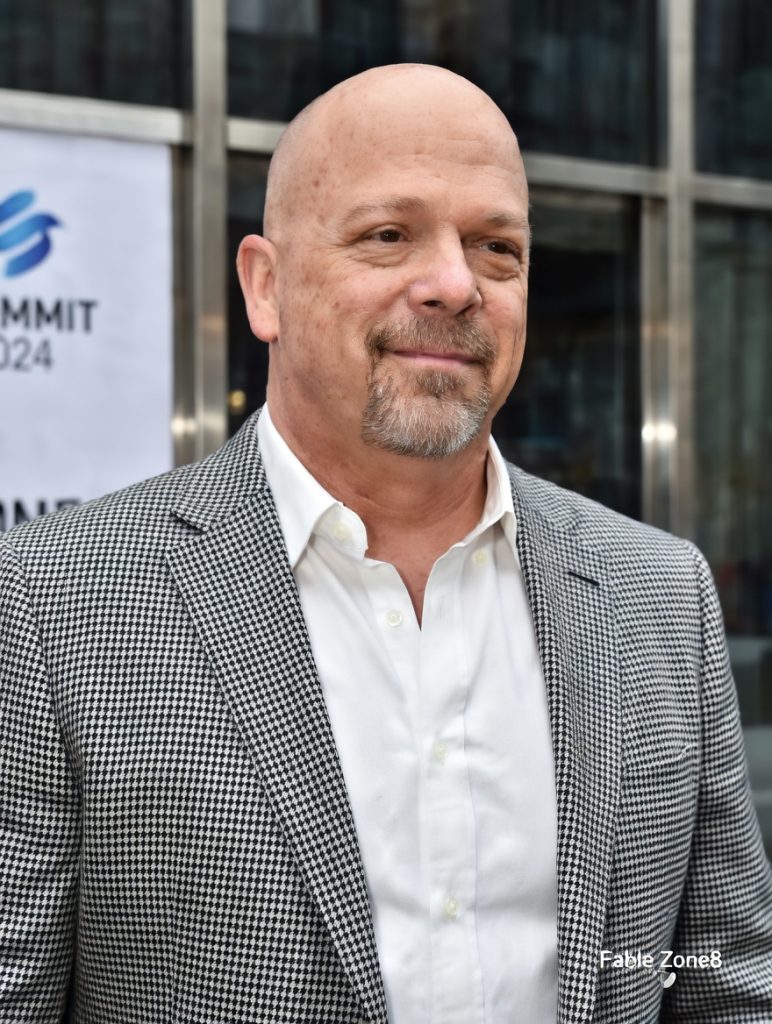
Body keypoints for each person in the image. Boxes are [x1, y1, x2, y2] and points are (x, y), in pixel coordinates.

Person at [1, 64, 770, 1024]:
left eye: (496, 247)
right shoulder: (48, 602)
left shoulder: (659, 594)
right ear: (266, 287)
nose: (454, 285)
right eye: (388, 235)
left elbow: (723, 987)